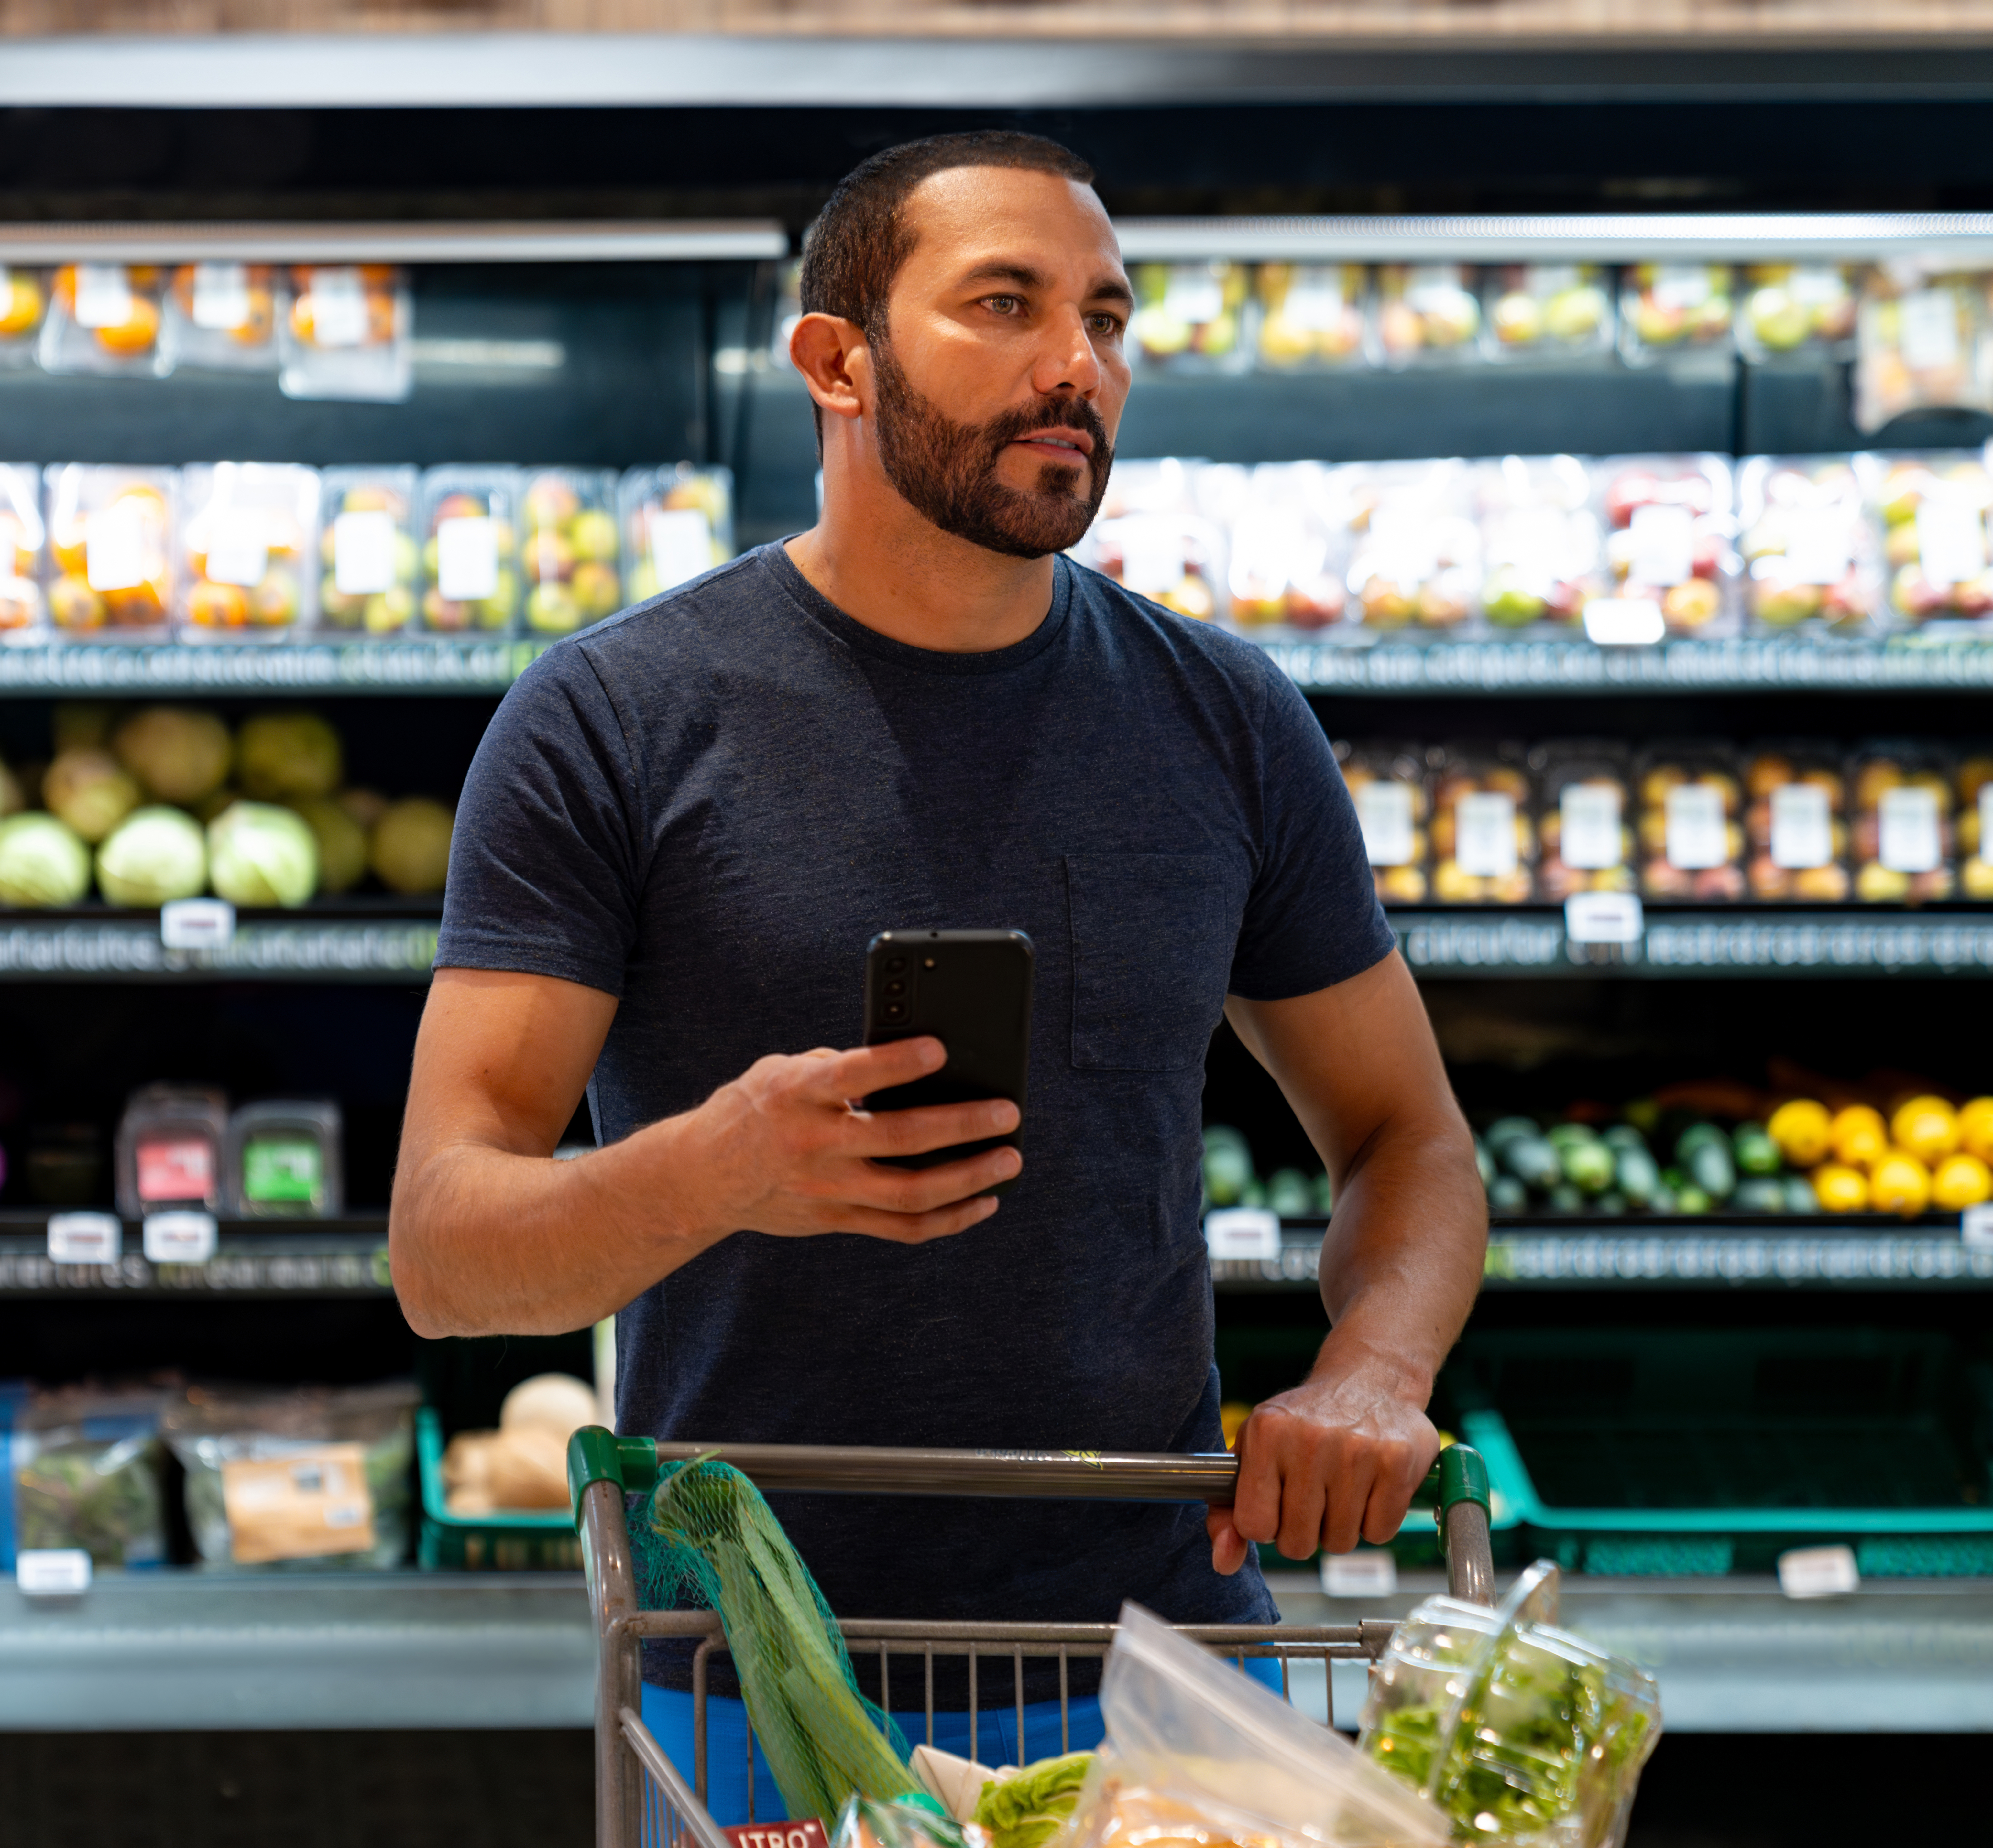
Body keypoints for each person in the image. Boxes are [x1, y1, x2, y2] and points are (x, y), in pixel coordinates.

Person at [389, 129, 1485, 1815]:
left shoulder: (1230, 718)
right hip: (764, 1659)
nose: (1079, 366)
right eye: (1006, 304)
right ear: (837, 358)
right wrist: (721, 1165)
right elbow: (446, 1248)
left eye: (1110, 320)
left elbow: (1409, 1142)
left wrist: (1373, 1371)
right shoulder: (613, 719)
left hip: (1168, 1651)